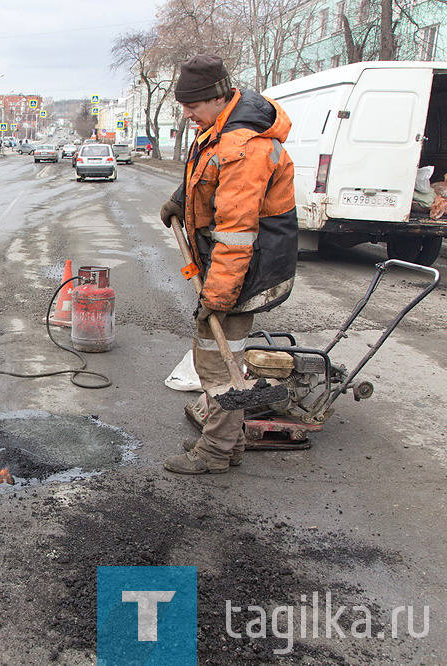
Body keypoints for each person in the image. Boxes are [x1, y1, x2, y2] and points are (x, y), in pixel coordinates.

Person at [159, 54, 298, 474]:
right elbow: (206, 178)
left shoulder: (244, 148)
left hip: (247, 271)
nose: (186, 113)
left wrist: (217, 296)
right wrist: (181, 201)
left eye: (193, 105)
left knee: (218, 363)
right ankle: (228, 441)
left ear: (218, 97)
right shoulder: (219, 128)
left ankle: (215, 453)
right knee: (221, 358)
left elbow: (237, 233)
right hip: (238, 266)